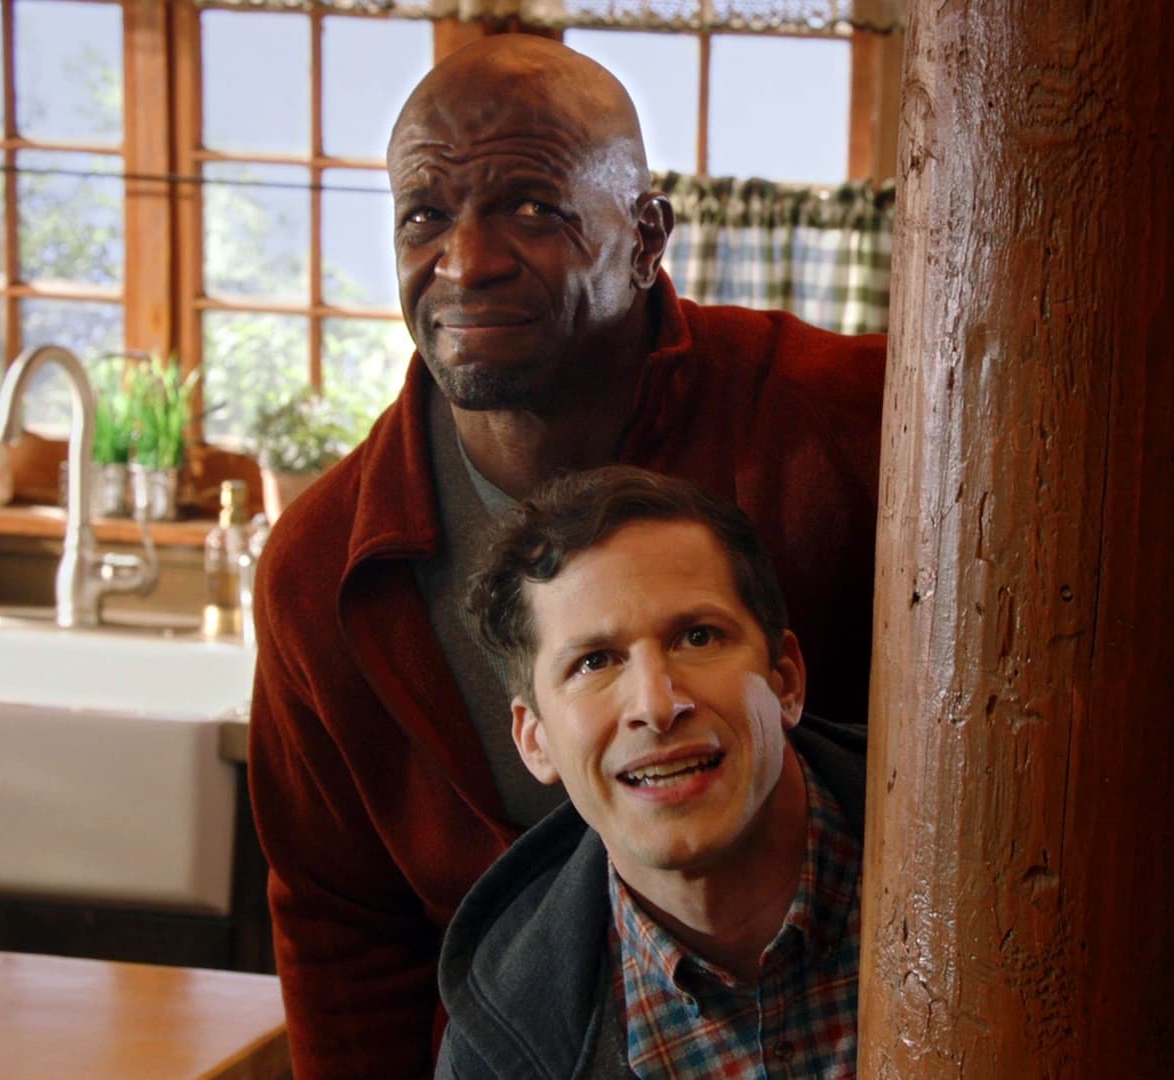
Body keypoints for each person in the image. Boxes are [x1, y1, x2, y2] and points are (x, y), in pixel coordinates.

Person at [248, 34, 885, 1079]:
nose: (466, 263)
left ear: (646, 239)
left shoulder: (848, 424)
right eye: (423, 216)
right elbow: (341, 928)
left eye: (532, 207)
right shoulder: (324, 571)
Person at [436, 466, 865, 1079]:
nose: (657, 706)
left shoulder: (987, 852)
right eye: (594, 662)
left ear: (786, 682)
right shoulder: (495, 1055)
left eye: (698, 637)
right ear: (535, 741)